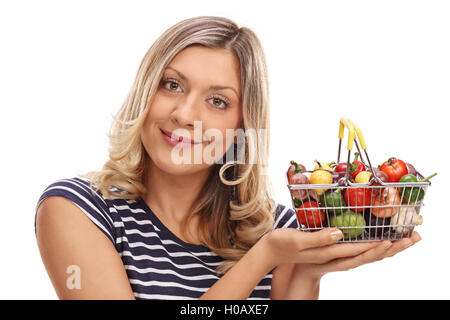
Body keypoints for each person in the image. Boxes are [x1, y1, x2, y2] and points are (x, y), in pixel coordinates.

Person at [34, 16, 421, 300]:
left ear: (242, 125)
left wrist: (304, 273)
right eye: (172, 85)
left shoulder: (282, 229)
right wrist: (262, 259)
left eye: (217, 101)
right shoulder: (77, 210)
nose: (185, 114)